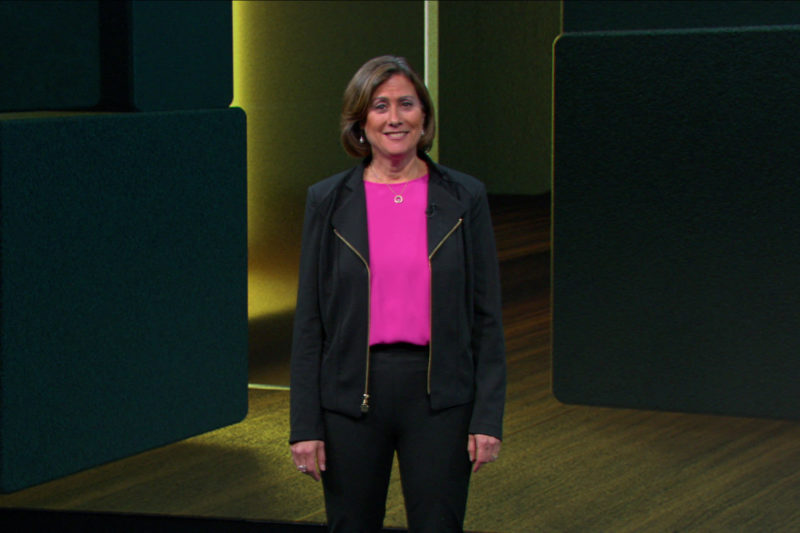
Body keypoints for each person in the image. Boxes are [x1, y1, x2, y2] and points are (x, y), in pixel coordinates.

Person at [289, 55, 506, 532]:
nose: (395, 118)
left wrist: (488, 417)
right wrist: (305, 425)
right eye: (380, 105)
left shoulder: (464, 198)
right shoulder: (326, 201)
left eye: (406, 104)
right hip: (349, 395)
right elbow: (310, 322)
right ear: (361, 122)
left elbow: (486, 317)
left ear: (424, 118)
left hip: (439, 397)